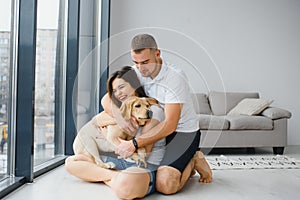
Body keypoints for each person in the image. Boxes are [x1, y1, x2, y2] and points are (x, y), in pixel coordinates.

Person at [102, 34, 212, 195]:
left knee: (165, 184)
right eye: (136, 62)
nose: (140, 68)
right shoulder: (137, 71)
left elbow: (170, 125)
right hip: (155, 127)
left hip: (182, 133)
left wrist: (135, 143)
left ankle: (193, 159)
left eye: (145, 62)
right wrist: (122, 119)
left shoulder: (175, 78)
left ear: (157, 54)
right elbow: (106, 98)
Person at [65, 66, 166, 199]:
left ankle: (101, 175)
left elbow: (144, 153)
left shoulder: (150, 110)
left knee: (127, 189)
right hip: (119, 160)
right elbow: (102, 109)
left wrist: (110, 137)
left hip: (141, 165)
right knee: (70, 162)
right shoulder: (119, 110)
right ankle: (114, 177)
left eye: (122, 87)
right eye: (115, 91)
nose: (118, 93)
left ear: (134, 85)